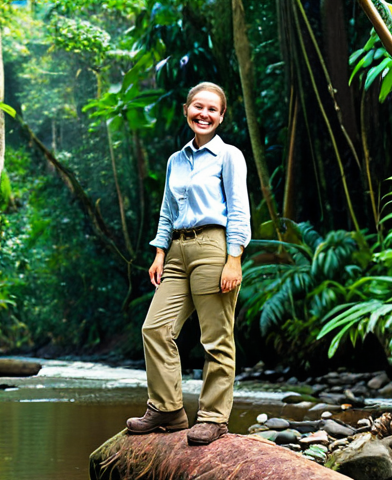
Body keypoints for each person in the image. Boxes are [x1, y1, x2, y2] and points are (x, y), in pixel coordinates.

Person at [126, 82, 251, 445]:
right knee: (155, 328)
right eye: (198, 107)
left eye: (213, 109)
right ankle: (167, 409)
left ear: (222, 116)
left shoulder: (230, 156)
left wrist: (234, 259)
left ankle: (213, 418)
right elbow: (167, 211)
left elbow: (240, 210)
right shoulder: (175, 160)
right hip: (177, 250)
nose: (204, 114)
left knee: (215, 338)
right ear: (186, 110)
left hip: (215, 246)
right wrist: (160, 252)